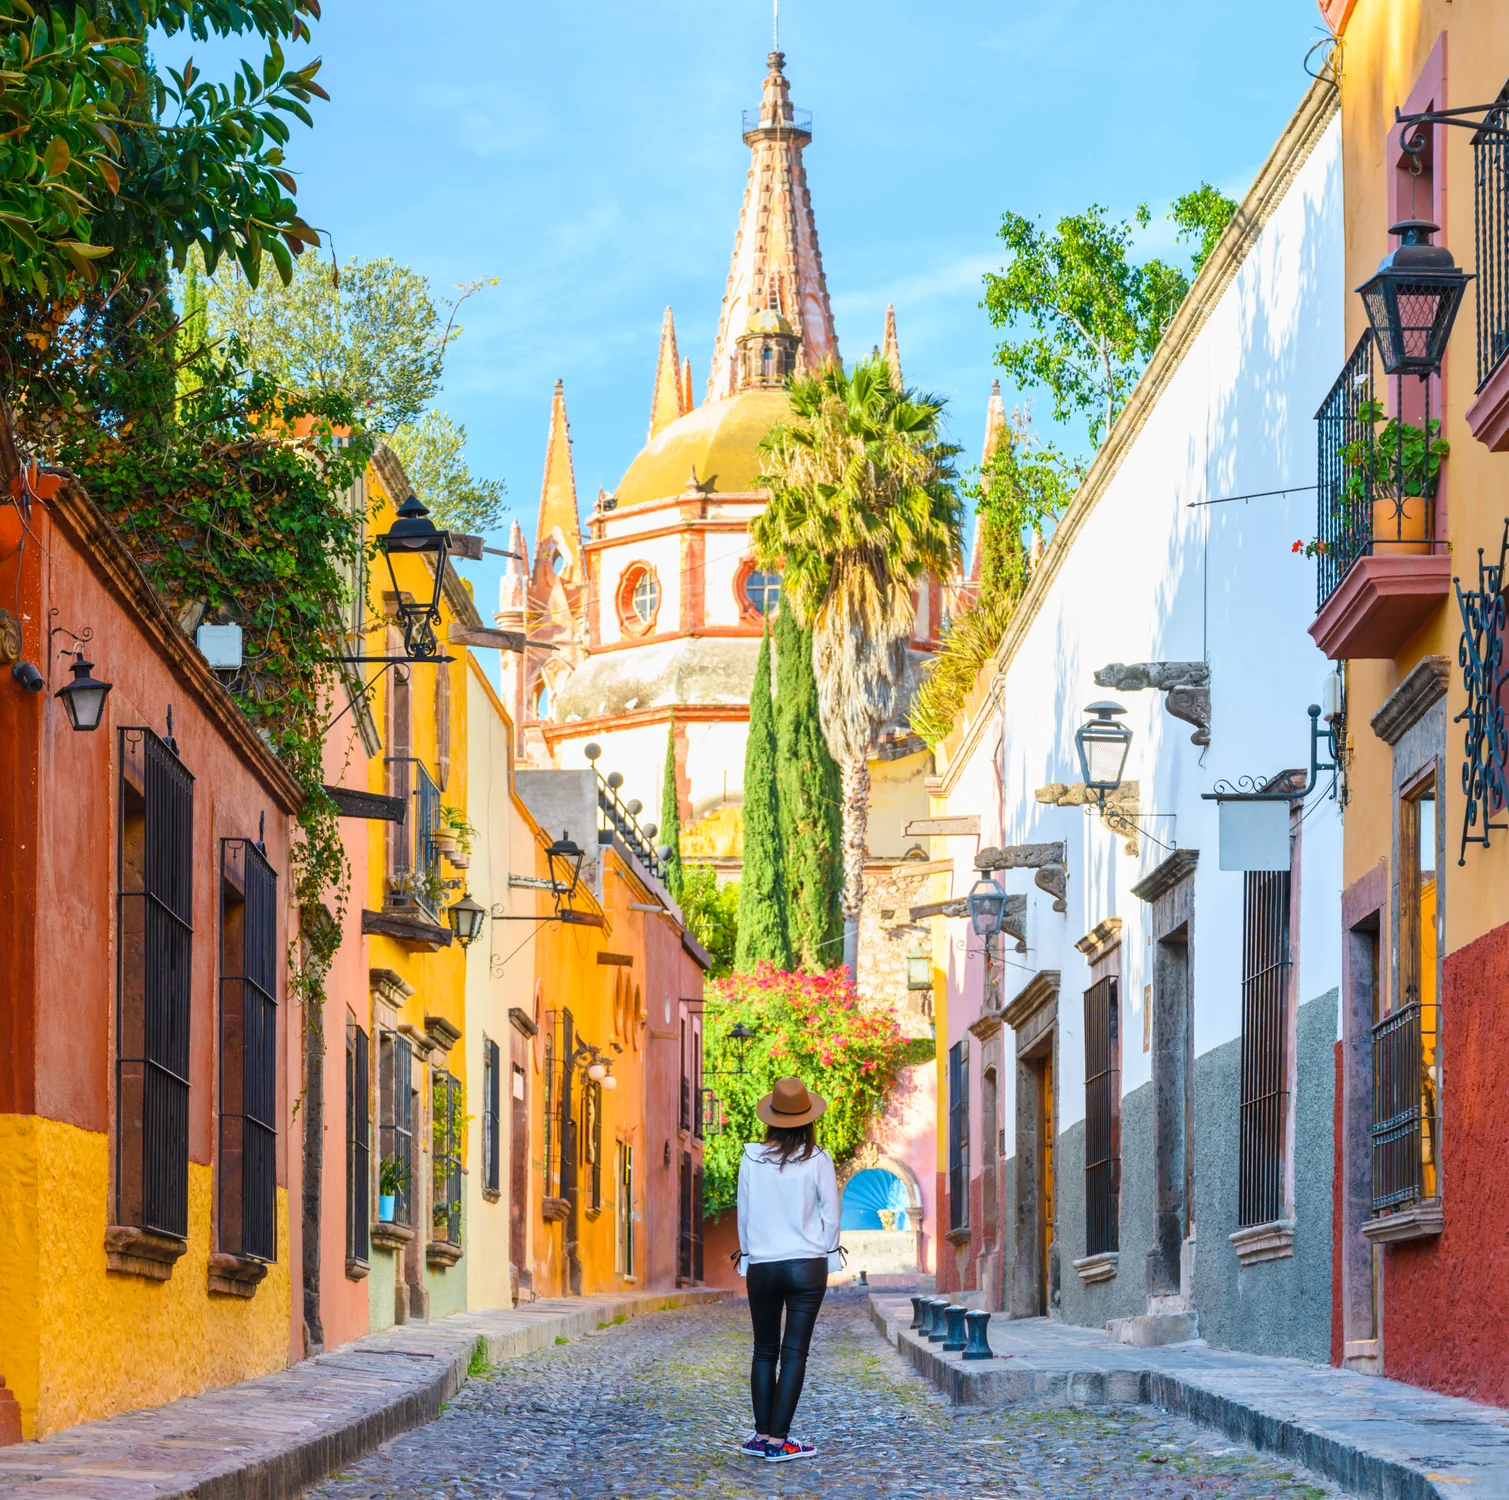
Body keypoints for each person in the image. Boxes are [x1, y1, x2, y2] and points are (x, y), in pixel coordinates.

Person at [735, 1076, 840, 1463]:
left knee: (763, 1350)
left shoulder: (750, 1158)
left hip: (762, 1264)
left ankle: (762, 1436)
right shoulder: (819, 1158)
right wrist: (829, 1256)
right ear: (809, 1119)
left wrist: (748, 1258)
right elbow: (830, 1213)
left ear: (772, 1118)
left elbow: (744, 1216)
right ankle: (779, 1442)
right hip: (807, 1264)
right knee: (794, 1353)